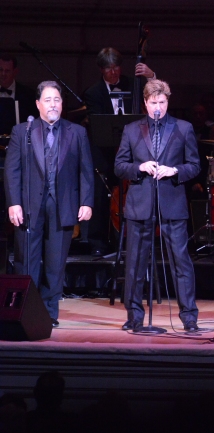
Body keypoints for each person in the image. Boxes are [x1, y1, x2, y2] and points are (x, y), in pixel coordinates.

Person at [4, 80, 94, 327]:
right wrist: (14, 203)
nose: (53, 104)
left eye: (57, 100)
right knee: (27, 260)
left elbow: (86, 171)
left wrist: (86, 201)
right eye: (48, 100)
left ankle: (49, 312)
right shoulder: (22, 132)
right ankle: (24, 309)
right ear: (37, 104)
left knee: (55, 264)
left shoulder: (77, 132)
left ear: (62, 104)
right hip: (29, 207)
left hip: (62, 204)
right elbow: (12, 171)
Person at [114, 79, 201, 332]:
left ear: (167, 101)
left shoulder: (183, 128)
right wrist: (139, 168)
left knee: (181, 263)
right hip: (140, 205)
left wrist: (175, 170)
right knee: (135, 264)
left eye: (162, 103)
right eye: (153, 103)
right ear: (145, 102)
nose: (157, 108)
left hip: (172, 204)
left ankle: (189, 317)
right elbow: (119, 166)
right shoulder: (131, 129)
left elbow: (194, 165)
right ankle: (134, 316)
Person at [83, 47, 156, 256]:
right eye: (109, 69)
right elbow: (98, 126)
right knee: (100, 195)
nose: (113, 73)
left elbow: (156, 96)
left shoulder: (134, 84)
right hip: (105, 151)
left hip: (133, 152)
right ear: (101, 69)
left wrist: (151, 76)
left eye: (116, 68)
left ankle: (130, 240)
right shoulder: (93, 92)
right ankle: (98, 242)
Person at [0, 53, 37, 127]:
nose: (3, 74)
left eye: (7, 71)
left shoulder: (29, 95)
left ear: (15, 72)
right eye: (0, 70)